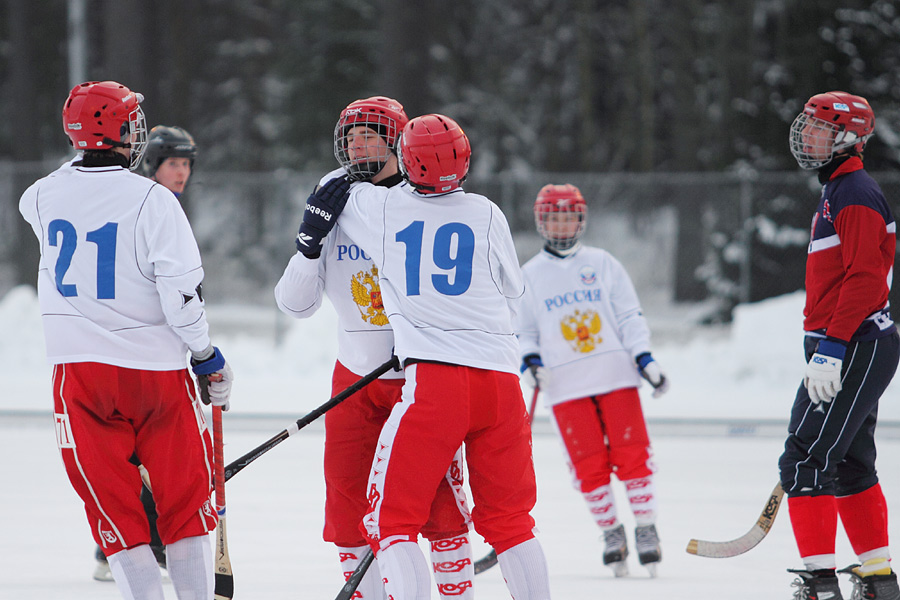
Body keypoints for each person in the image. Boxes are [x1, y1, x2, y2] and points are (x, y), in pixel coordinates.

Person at [296, 114, 552, 600]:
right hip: (500, 381)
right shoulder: (487, 211)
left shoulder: (384, 208)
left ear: (407, 159)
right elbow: (514, 291)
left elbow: (339, 186)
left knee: (390, 521)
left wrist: (313, 223)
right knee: (512, 522)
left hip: (437, 382)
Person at [18, 80, 233, 600]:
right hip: (155, 374)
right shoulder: (155, 200)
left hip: (81, 377)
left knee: (115, 509)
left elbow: (70, 190)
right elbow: (182, 295)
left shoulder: (38, 195)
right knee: (183, 507)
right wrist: (206, 355)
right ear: (118, 131)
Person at [276, 98, 475, 600]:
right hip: (353, 380)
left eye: (370, 134)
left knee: (439, 507)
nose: (356, 144)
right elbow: (294, 305)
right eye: (351, 134)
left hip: (419, 377)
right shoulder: (331, 191)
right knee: (346, 505)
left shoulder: (424, 194)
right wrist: (308, 244)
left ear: (398, 141)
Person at [780, 91, 900, 600]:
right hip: (851, 344)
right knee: (850, 463)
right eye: (807, 125)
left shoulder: (853, 192)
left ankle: (818, 585)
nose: (807, 135)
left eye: (819, 128)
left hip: (854, 344)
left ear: (848, 139)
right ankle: (877, 581)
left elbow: (866, 280)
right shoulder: (837, 189)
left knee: (804, 460)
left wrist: (831, 348)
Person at [515, 183, 669, 578]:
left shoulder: (603, 263)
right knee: (588, 465)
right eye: (554, 217)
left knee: (633, 455)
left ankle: (646, 528)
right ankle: (611, 533)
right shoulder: (528, 275)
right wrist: (530, 362)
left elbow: (629, 316)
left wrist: (644, 358)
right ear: (541, 222)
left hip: (615, 375)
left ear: (581, 219)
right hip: (565, 385)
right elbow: (523, 331)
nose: (562, 224)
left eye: (569, 216)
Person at [92, 124, 200, 583]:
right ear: (152, 165)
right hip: (139, 356)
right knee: (141, 456)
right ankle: (132, 544)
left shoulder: (159, 205)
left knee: (140, 458)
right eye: (174, 163)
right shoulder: (145, 205)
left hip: (155, 351)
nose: (182, 172)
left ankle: (119, 545)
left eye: (187, 164)